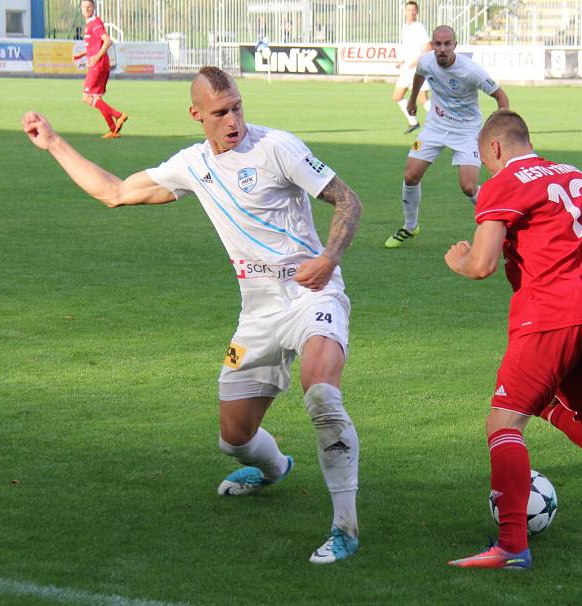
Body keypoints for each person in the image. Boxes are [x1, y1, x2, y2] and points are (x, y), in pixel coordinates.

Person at [22, 66, 363, 565]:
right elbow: (114, 192)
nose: (233, 121)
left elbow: (347, 199)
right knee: (234, 440)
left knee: (322, 393)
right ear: (197, 114)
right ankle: (273, 468)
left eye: (238, 108)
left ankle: (345, 527)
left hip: (313, 293)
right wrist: (54, 143)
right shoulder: (192, 165)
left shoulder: (278, 148)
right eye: (221, 113)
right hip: (258, 311)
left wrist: (330, 257)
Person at [444, 110, 582, 570]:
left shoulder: (502, 184)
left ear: (494, 149)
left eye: (486, 159)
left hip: (551, 315)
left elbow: (481, 264)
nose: (489, 169)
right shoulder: (577, 175)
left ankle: (512, 545)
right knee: (559, 402)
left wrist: (457, 258)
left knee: (503, 423)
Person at [384, 25, 509, 249]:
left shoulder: (471, 71)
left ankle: (500, 226)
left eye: (447, 44)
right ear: (432, 45)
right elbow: (419, 76)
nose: (442, 49)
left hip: (467, 132)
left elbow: (501, 97)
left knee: (468, 187)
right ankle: (410, 227)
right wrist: (412, 100)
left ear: (455, 46)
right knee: (411, 174)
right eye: (437, 44)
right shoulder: (426, 60)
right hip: (433, 127)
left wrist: (499, 128)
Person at [71, 0, 128, 139]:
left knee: (86, 97)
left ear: (93, 8)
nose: (86, 9)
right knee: (97, 98)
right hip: (102, 64)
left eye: (89, 7)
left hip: (98, 64)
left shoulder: (94, 23)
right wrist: (82, 54)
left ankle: (118, 115)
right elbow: (95, 45)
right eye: (84, 7)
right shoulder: (91, 23)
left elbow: (107, 41)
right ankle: (113, 129)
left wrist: (96, 57)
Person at [393, 1, 431, 134]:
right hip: (407, 69)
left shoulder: (418, 27)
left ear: (417, 12)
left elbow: (428, 46)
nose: (411, 12)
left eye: (413, 10)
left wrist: (416, 61)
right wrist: (402, 61)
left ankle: (442, 122)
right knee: (397, 96)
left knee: (422, 99)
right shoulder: (405, 27)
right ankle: (413, 122)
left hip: (417, 69)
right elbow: (408, 47)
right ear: (405, 11)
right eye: (409, 10)